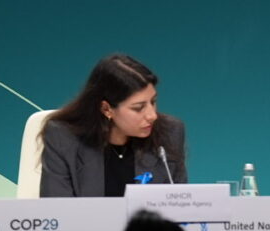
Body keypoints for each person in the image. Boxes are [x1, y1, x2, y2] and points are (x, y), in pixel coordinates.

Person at [40, 54, 186, 197]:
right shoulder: (62, 137)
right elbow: (56, 212)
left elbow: (180, 208)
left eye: (153, 102)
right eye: (138, 108)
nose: (152, 115)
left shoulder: (170, 133)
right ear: (106, 109)